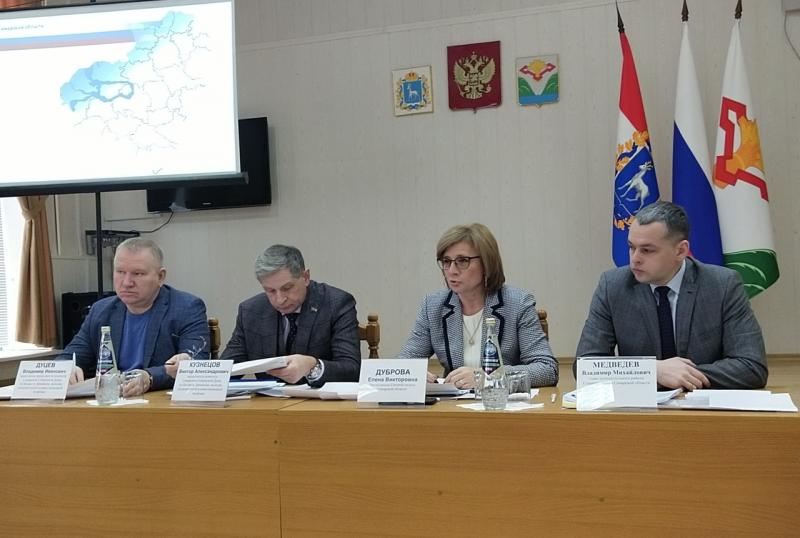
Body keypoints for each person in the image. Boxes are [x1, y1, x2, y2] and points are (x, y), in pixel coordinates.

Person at [575, 201, 767, 390]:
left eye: (647, 250)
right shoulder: (613, 286)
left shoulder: (722, 285)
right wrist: (653, 372)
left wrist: (680, 376)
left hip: (705, 406)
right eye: (631, 247)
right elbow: (585, 367)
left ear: (680, 251)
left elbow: (752, 366)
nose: (635, 259)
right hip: (640, 408)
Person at [398, 223, 558, 389]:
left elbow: (547, 369)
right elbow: (406, 360)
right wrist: (413, 374)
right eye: (446, 261)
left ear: (487, 264)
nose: (451, 270)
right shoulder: (433, 306)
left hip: (501, 401)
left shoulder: (518, 303)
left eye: (462, 261)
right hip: (453, 403)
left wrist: (487, 378)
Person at [64, 238, 209, 396]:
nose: (127, 282)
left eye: (138, 273)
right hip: (109, 402)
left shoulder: (187, 308)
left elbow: (195, 364)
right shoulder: (101, 310)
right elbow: (70, 356)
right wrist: (69, 368)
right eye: (120, 272)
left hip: (157, 402)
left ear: (160, 277)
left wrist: (150, 377)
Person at [220, 244, 360, 386]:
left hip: (318, 398)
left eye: (287, 288)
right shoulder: (251, 311)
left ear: (305, 277)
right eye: (270, 291)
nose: (280, 299)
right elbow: (223, 371)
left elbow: (352, 370)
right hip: (267, 399)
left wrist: (312, 366)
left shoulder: (336, 304)